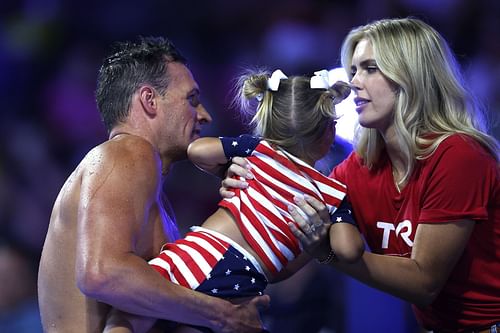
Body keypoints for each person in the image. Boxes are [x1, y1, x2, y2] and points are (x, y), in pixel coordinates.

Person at [221, 18, 500, 333]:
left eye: (370, 68)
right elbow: (282, 259)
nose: (354, 82)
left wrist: (328, 253)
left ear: (410, 75)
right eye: (353, 70)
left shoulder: (458, 156)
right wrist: (252, 188)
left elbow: (424, 283)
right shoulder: (358, 168)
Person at [37, 36, 270, 333]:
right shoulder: (129, 152)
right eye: (192, 99)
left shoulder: (148, 186)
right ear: (149, 100)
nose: (205, 115)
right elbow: (102, 273)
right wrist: (222, 314)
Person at [107, 69, 365, 333]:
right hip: (243, 282)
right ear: (329, 132)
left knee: (128, 317)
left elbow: (197, 150)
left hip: (200, 254)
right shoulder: (331, 193)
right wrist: (322, 247)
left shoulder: (259, 150)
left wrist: (227, 167)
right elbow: (349, 249)